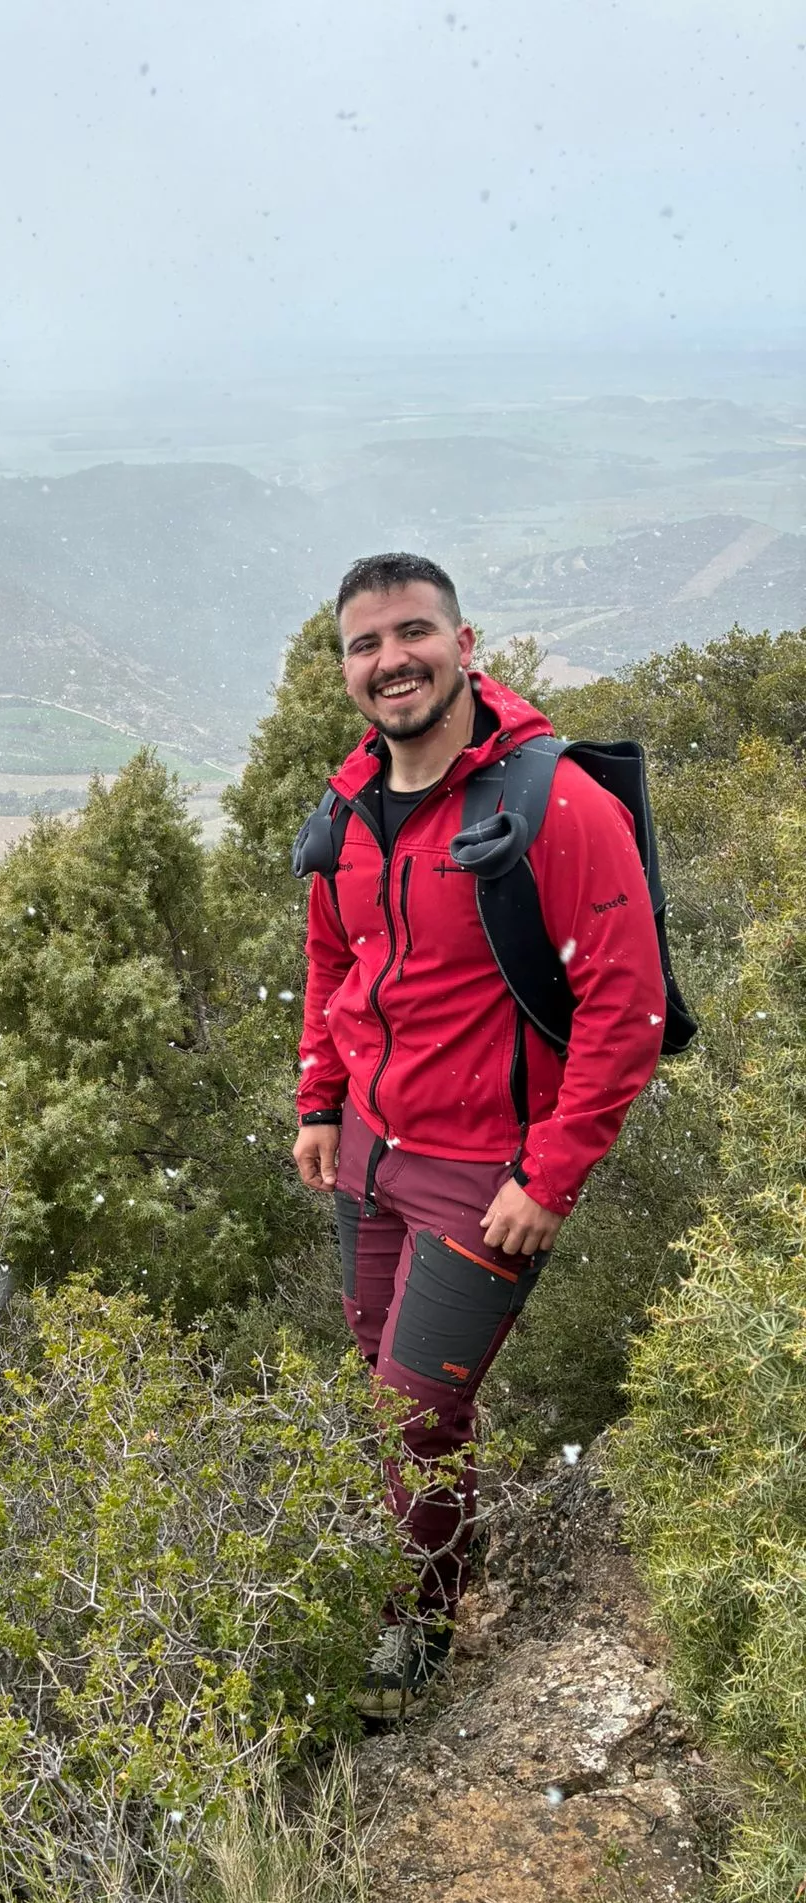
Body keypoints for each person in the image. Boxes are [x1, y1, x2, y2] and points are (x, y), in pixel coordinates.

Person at [292, 552, 664, 1721]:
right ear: (345, 666)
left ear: (464, 642)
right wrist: (318, 1099)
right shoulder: (352, 803)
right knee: (391, 1394)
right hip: (372, 1150)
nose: (391, 658)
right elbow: (334, 957)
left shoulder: (552, 801)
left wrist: (549, 1176)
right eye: (366, 642)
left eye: (413, 632)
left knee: (416, 1407)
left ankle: (421, 1623)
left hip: (484, 1174)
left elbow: (626, 1005)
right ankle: (443, 1549)